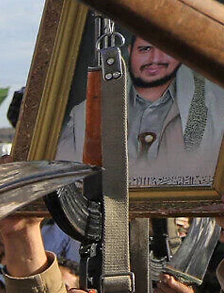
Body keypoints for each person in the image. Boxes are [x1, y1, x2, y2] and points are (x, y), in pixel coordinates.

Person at [57, 33, 221, 188]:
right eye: (145, 49)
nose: (154, 59)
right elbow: (64, 180)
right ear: (130, 52)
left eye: (165, 49)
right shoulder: (84, 115)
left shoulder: (214, 111)